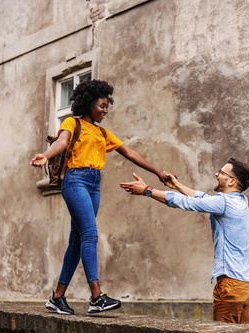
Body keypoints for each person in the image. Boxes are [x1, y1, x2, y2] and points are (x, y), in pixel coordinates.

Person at [30, 79, 171, 315]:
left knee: (76, 242)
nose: (105, 110)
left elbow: (129, 152)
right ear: (89, 103)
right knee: (90, 234)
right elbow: (62, 142)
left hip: (94, 183)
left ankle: (56, 298)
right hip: (75, 180)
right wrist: (46, 155)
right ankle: (97, 297)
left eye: (107, 106)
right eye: (102, 106)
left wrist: (158, 172)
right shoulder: (71, 122)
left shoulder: (102, 132)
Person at [119, 158, 249, 324]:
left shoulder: (224, 202)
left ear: (232, 181)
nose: (217, 174)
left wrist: (147, 190)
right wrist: (176, 184)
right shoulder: (240, 200)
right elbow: (202, 198)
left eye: (221, 172)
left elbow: (187, 203)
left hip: (232, 285)